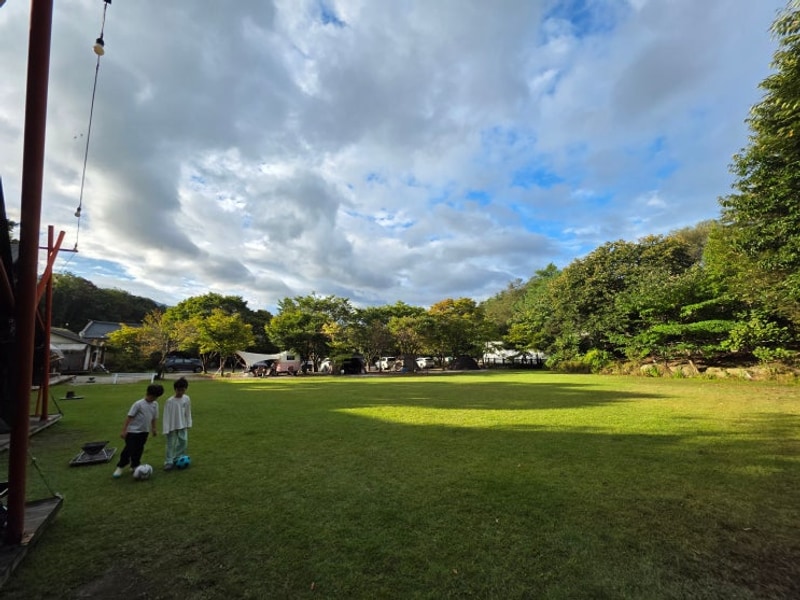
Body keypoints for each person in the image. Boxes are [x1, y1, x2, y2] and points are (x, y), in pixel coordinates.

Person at [113, 383, 163, 478]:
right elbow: (129, 417)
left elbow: (154, 418)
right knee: (128, 449)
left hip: (144, 432)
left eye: (157, 397)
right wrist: (124, 430)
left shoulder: (155, 405)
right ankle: (120, 466)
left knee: (139, 449)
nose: (155, 399)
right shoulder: (138, 404)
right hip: (132, 432)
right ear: (149, 394)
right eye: (154, 397)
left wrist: (154, 428)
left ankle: (135, 465)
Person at [162, 377, 192, 470]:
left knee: (183, 441)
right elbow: (166, 415)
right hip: (171, 425)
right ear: (175, 389)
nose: (180, 392)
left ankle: (177, 457)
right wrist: (166, 428)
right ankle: (169, 461)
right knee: (170, 443)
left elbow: (188, 412)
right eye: (178, 390)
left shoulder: (186, 398)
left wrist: (189, 423)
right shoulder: (170, 401)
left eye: (183, 390)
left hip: (182, 424)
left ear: (185, 389)